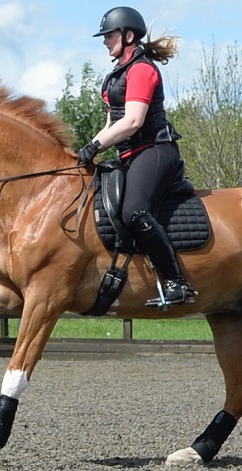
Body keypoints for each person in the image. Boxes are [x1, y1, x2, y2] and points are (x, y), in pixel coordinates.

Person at [76, 6, 195, 306]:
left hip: (155, 150)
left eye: (110, 35)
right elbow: (110, 124)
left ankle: (178, 283)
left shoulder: (142, 70)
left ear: (129, 36)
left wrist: (97, 146)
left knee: (135, 212)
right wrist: (90, 148)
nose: (105, 41)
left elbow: (132, 121)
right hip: (130, 153)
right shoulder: (114, 76)